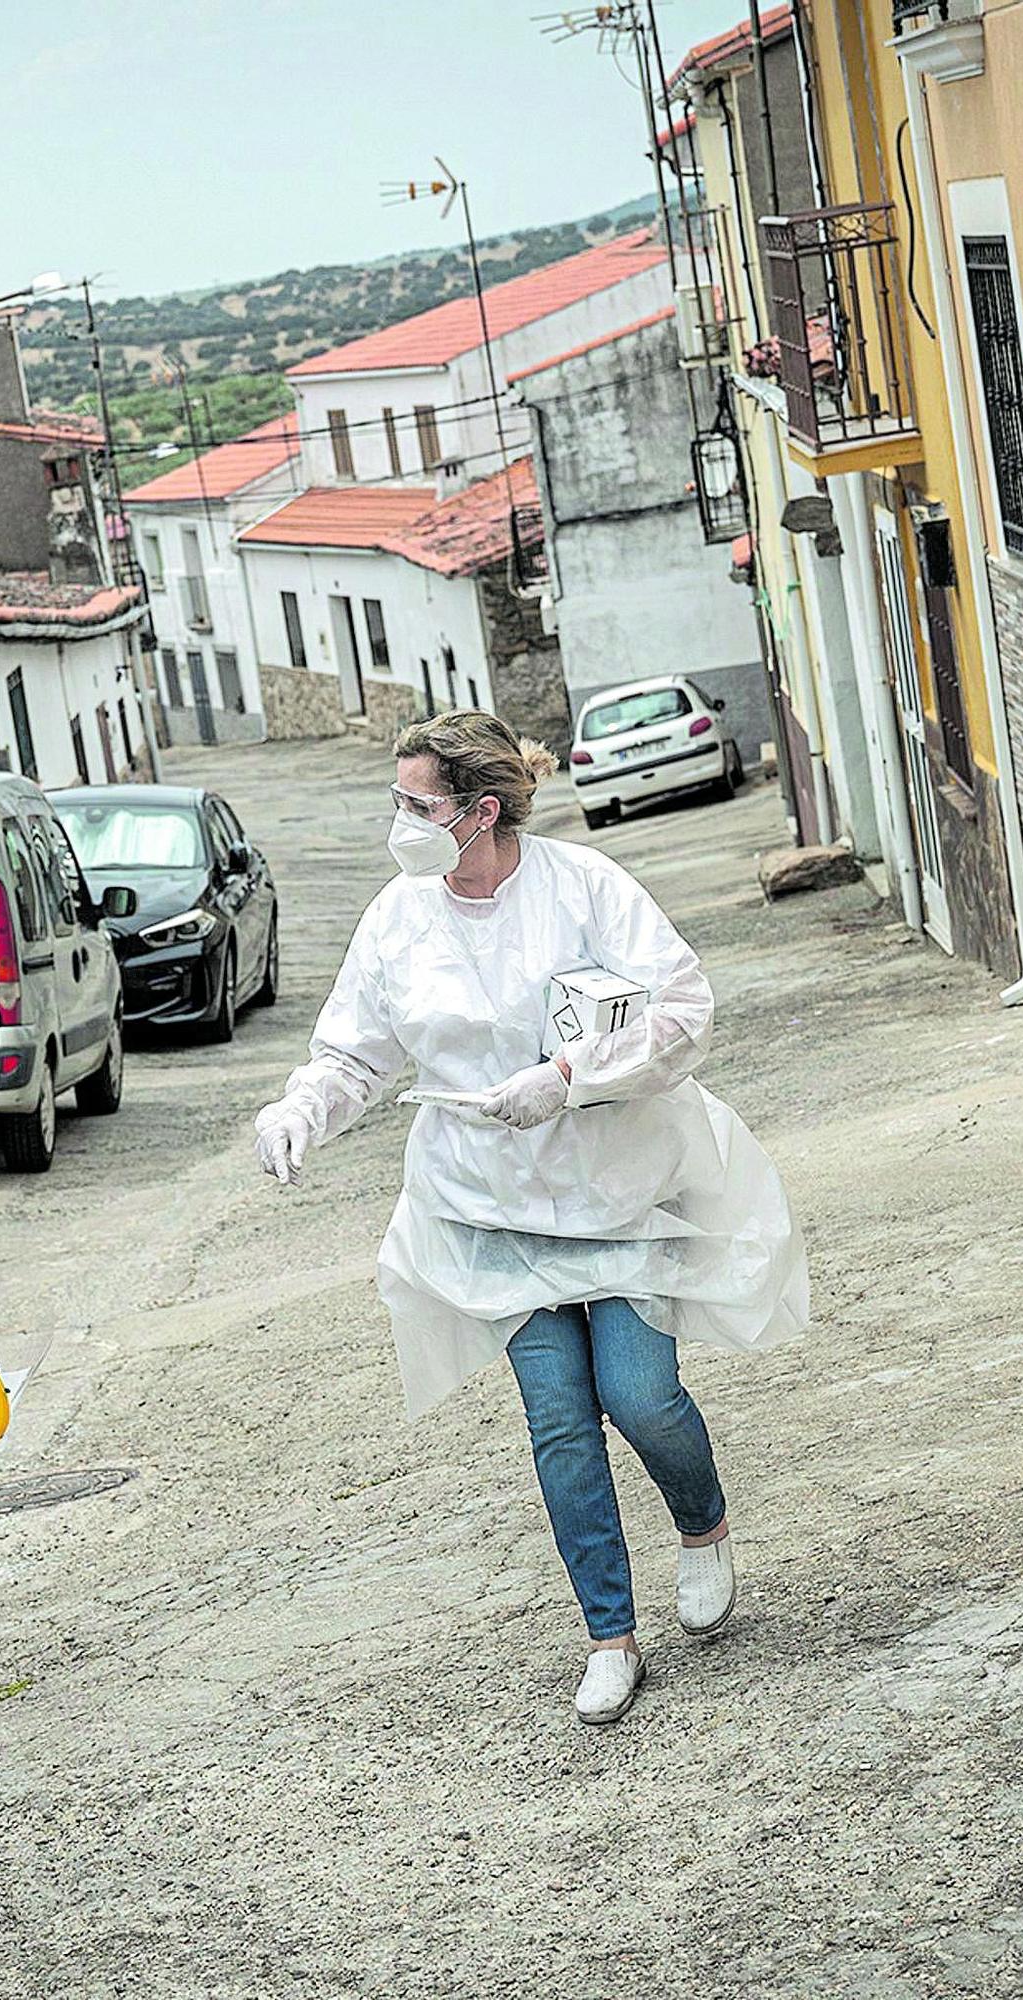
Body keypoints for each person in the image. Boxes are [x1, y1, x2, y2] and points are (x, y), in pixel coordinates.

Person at [254, 713, 806, 1725]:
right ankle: (609, 1633)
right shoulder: (396, 919)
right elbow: (356, 1052)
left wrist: (565, 1076)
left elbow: (682, 1006)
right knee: (558, 1418)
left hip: (616, 1184)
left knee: (639, 1396)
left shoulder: (584, 889)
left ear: (483, 811)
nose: (400, 822)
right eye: (398, 801)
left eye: (418, 805)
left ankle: (702, 1522)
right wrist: (300, 1109)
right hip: (490, 1207)